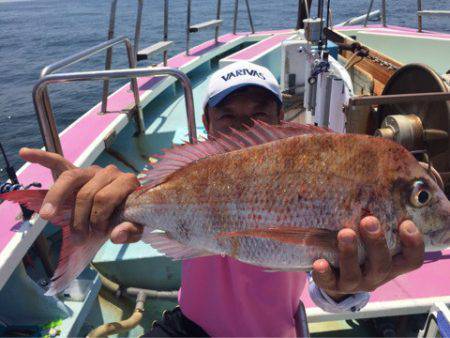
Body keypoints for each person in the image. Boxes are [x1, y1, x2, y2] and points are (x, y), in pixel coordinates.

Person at [22, 61, 424, 337]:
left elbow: (328, 294)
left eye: (259, 113)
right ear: (206, 123)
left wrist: (343, 290)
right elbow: (136, 191)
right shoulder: (186, 169)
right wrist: (111, 198)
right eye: (228, 116)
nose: (244, 126)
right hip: (187, 327)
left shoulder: (308, 171)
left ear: (280, 118)